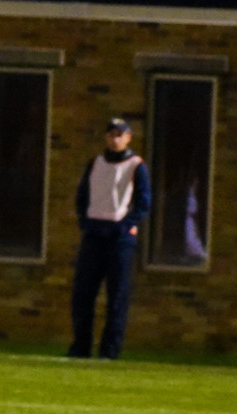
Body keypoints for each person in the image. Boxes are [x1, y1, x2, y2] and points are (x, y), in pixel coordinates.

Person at [68, 117, 151, 360]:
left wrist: (126, 226)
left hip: (119, 238)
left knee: (117, 296)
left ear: (128, 138)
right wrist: (85, 221)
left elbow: (144, 203)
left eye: (120, 135)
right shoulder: (95, 163)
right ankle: (80, 347)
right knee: (83, 293)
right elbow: (82, 195)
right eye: (111, 135)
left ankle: (110, 350)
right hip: (94, 234)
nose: (115, 140)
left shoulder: (136, 166)